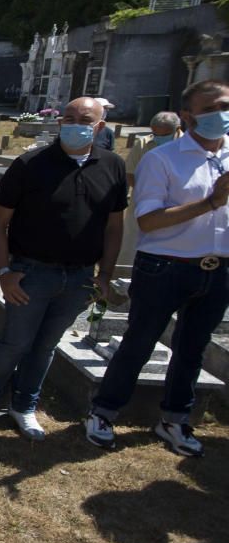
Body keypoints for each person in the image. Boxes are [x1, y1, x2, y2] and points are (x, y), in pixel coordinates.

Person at [0, 97, 127, 440]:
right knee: (15, 342)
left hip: (80, 276)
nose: (74, 123)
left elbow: (115, 226)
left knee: (46, 346)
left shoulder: (112, 166)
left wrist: (105, 274)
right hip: (32, 272)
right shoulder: (31, 164)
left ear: (99, 126)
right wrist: (5, 271)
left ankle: (24, 406)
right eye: (68, 117)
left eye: (84, 118)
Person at [85, 80, 229, 456]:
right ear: (189, 116)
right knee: (139, 342)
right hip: (166, 266)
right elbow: (148, 220)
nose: (222, 114)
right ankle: (104, 411)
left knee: (193, 348)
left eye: (226, 106)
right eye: (212, 108)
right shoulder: (163, 159)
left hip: (217, 268)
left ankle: (175, 419)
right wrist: (211, 202)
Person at [117, 111, 182, 266]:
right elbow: (130, 172)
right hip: (143, 202)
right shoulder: (143, 143)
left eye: (164, 134)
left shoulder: (188, 146)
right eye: (155, 134)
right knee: (131, 246)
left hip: (175, 206)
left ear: (178, 129)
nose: (158, 138)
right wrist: (150, 191)